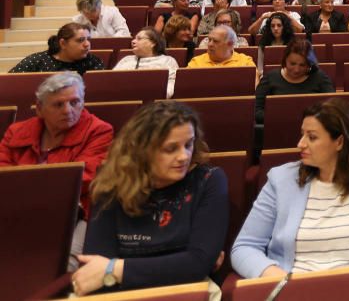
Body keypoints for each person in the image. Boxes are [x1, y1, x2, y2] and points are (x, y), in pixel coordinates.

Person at [233, 96, 349, 277]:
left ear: (340, 142)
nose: (300, 144)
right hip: (293, 287)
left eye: (311, 137)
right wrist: (278, 277)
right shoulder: (281, 180)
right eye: (302, 134)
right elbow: (245, 247)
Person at [76, 101, 228, 295]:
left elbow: (197, 264)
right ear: (141, 151)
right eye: (170, 149)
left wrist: (114, 268)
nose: (184, 156)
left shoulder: (208, 180)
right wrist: (177, 265)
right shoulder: (110, 185)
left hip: (186, 293)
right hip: (120, 293)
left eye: (188, 144)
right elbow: (93, 269)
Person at [0, 72, 113, 227]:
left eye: (74, 102)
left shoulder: (98, 131)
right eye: (58, 104)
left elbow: (83, 180)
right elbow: (3, 175)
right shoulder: (16, 132)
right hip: (15, 209)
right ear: (39, 108)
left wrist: (27, 192)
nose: (67, 110)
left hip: (72, 214)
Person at [252, 40, 334, 123]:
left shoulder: (320, 78)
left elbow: (333, 109)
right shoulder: (270, 78)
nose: (296, 70)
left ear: (309, 64)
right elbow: (256, 110)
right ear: (285, 60)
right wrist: (280, 118)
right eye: (292, 64)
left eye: (302, 65)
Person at [11, 22, 105, 74]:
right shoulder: (36, 61)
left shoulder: (93, 62)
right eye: (80, 40)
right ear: (63, 43)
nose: (87, 44)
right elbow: (10, 82)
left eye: (88, 39)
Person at [113, 28, 180, 97]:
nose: (133, 41)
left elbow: (172, 86)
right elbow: (113, 82)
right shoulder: (126, 60)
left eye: (139, 39)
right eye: (134, 38)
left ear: (153, 43)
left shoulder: (168, 61)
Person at [187, 26, 256, 69]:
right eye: (209, 40)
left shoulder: (245, 62)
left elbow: (255, 88)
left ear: (230, 44)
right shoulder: (196, 62)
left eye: (215, 41)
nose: (210, 44)